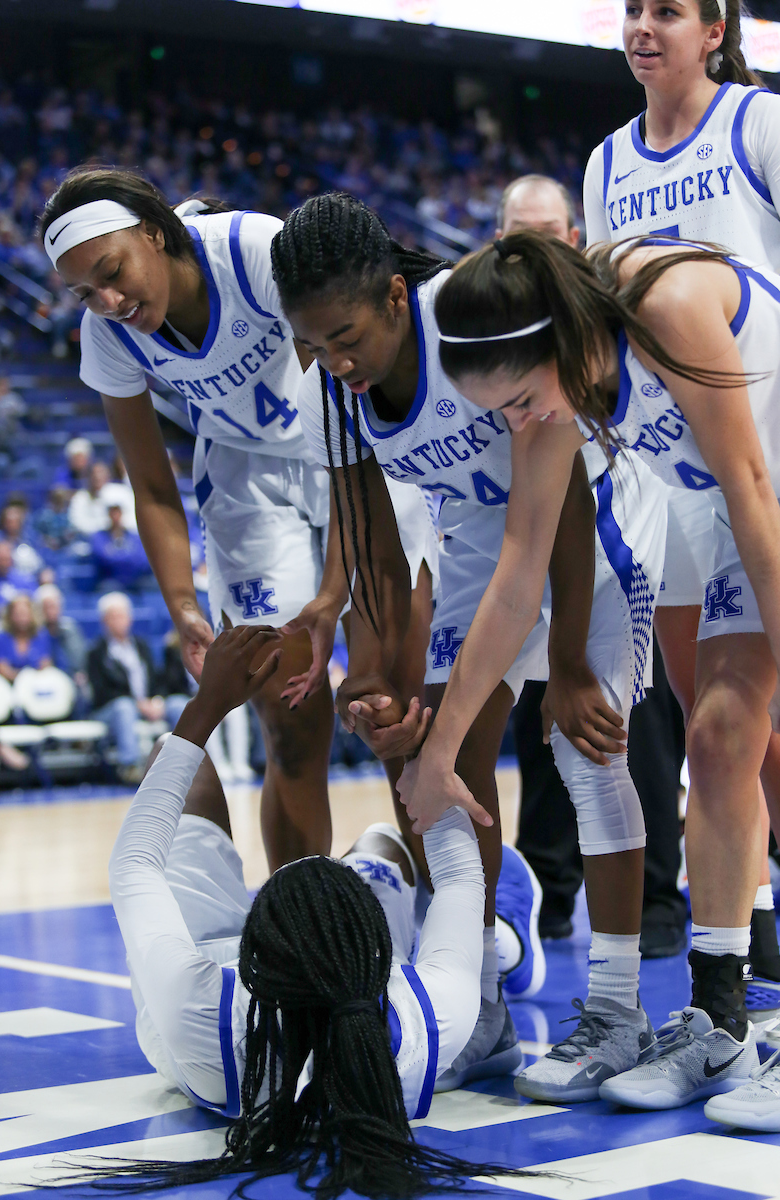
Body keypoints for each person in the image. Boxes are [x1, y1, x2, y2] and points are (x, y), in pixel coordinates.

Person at [275, 192, 668, 1100]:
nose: (334, 362)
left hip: (588, 512)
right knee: (436, 761)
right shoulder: (331, 394)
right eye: (313, 345)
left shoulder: (471, 322)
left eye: (346, 338)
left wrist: (567, 659)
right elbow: (372, 547)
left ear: (396, 303)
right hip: (479, 543)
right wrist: (371, 676)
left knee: (583, 750)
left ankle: (615, 1012)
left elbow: (558, 491)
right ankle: (479, 1003)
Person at [402, 228, 780, 1120]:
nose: (522, 423)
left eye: (525, 400)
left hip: (761, 490)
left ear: (564, 344)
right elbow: (515, 578)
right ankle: (722, 1021)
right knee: (718, 742)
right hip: (715, 507)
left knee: (753, 739)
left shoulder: (668, 308)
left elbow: (754, 485)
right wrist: (441, 752)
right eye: (502, 413)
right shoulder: (550, 396)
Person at [41, 168, 436, 871]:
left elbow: (347, 398)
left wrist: (334, 590)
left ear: (155, 234)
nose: (106, 300)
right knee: (287, 724)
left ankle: (456, 916)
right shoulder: (108, 337)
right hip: (249, 481)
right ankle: (301, 934)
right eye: (83, 293)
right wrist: (183, 605)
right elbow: (154, 488)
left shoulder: (253, 252)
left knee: (394, 703)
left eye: (111, 271)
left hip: (352, 453)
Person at [102, 623, 531, 1198]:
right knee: (380, 842)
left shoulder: (202, 1010)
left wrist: (205, 709)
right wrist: (413, 752)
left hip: (203, 962)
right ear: (376, 952)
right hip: (320, 977)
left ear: (255, 948)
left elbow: (134, 864)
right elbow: (464, 879)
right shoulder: (419, 1019)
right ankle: (503, 940)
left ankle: (501, 938)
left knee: (169, 756)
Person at [583, 0, 780, 1010]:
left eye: (665, 10)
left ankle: (725, 977)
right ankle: (748, 919)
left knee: (726, 726)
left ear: (713, 32)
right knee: (714, 727)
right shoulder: (606, 161)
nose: (641, 26)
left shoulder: (756, 124)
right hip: (669, 463)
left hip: (757, 419)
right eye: (631, 10)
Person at [499, 173, 688, 954]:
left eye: (550, 231)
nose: (538, 244)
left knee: (634, 717)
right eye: (522, 233)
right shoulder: (486, 318)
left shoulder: (606, 302)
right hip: (537, 529)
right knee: (542, 722)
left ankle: (656, 907)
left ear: (573, 238)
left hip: (632, 511)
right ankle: (545, 899)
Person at [88, 591, 187, 782]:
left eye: (123, 615)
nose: (120, 621)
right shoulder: (96, 653)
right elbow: (101, 692)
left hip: (146, 704)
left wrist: (157, 700)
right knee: (124, 707)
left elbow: (157, 679)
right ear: (104, 621)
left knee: (178, 704)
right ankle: (130, 766)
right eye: (114, 616)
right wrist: (137, 704)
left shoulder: (141, 646)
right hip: (111, 710)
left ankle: (185, 762)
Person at [0, 593, 52, 681]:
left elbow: (45, 664)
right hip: (7, 684)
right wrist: (22, 681)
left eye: (24, 614)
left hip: (36, 684)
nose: (21, 618)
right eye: (17, 614)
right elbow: (0, 667)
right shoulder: (0, 638)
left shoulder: (41, 636)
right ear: (10, 616)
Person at [90, 501, 152, 590]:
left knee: (151, 585)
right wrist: (127, 557)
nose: (115, 516)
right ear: (108, 515)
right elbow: (103, 558)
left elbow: (142, 559)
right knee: (108, 587)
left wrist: (117, 555)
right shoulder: (99, 536)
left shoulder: (134, 536)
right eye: (112, 512)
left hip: (135, 578)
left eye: (117, 512)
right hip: (111, 578)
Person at [34, 582, 87, 684]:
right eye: (46, 607)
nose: (50, 611)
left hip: (68, 679)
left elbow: (79, 660)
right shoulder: (34, 632)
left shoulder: (70, 629)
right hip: (41, 680)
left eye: (54, 606)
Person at [0, 540, 36, 629]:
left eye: (5, 559)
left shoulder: (23, 579)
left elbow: (33, 600)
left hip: (23, 628)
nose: (3, 563)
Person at [67, 460, 134, 535]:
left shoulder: (122, 492)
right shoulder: (80, 497)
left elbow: (134, 518)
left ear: (108, 475)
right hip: (90, 540)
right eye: (94, 474)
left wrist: (118, 525)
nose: (97, 477)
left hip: (123, 537)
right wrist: (104, 528)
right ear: (88, 477)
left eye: (101, 473)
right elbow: (77, 523)